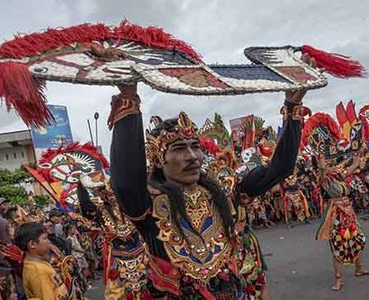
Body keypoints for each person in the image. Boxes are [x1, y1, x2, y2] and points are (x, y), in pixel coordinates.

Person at [109, 76, 309, 298]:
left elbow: (280, 169)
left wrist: (292, 108)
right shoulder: (149, 204)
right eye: (179, 149)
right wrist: (128, 96)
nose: (193, 156)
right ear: (158, 160)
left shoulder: (225, 189)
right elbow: (126, 182)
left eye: (195, 147)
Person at [316, 154, 369, 291]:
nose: (334, 168)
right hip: (335, 216)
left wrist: (358, 154)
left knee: (357, 238)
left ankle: (359, 269)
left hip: (348, 213)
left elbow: (353, 166)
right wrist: (320, 160)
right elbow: (321, 170)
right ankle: (338, 278)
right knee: (338, 245)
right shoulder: (325, 180)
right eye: (330, 166)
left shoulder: (340, 176)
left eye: (334, 165)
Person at [14, 222, 69, 300]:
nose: (49, 241)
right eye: (45, 238)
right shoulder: (38, 271)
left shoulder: (38, 264)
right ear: (32, 244)